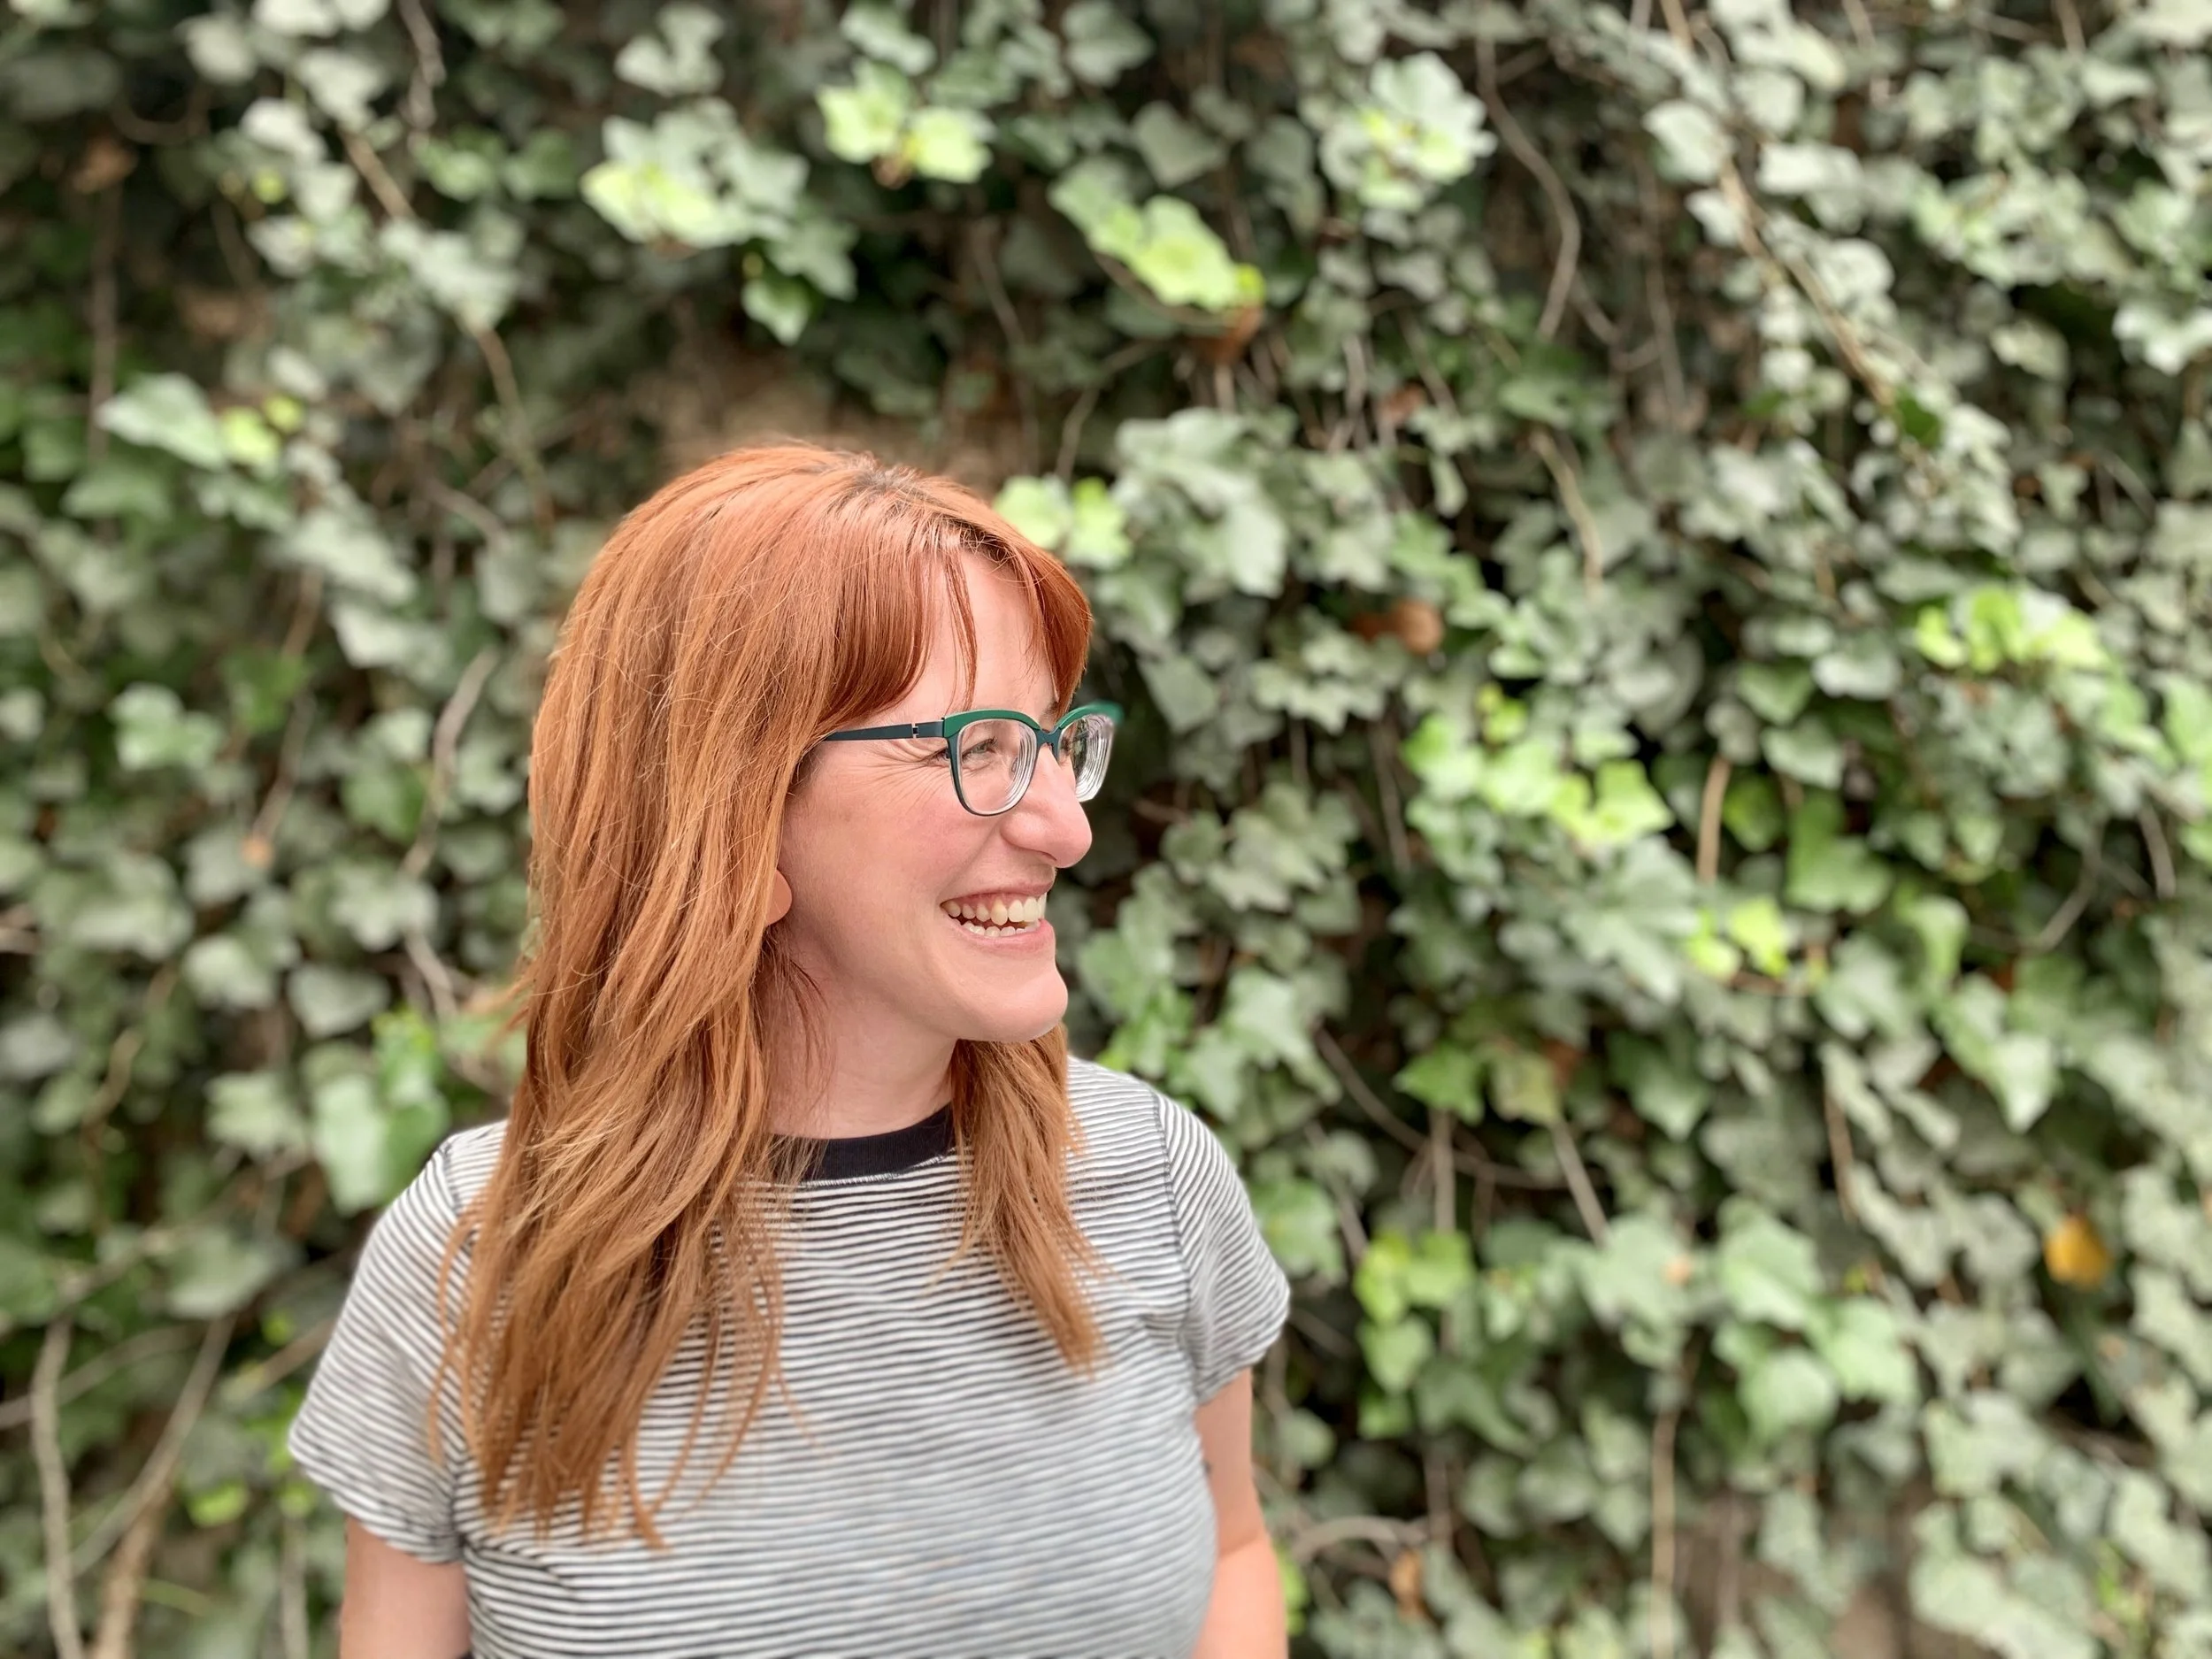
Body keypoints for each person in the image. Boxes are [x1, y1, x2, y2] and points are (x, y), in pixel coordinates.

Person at [288, 444, 1293, 1658]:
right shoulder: (474, 1262)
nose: (1067, 826)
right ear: (733, 815)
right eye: (975, 748)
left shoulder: (1150, 1178)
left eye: (1053, 737)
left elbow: (1233, 1549)